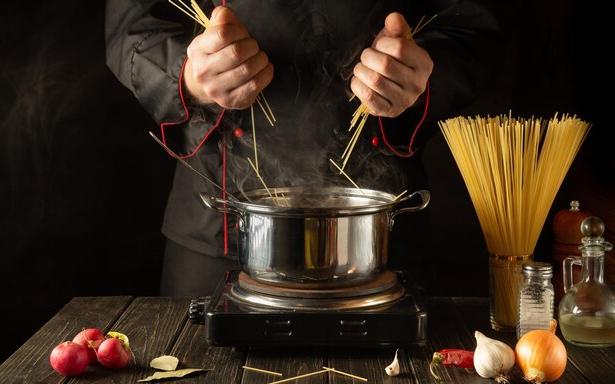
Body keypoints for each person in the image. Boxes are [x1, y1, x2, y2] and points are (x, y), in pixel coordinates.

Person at [105, 0, 504, 296]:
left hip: (382, 235)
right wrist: (190, 74)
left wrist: (419, 75)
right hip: (217, 230)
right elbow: (131, 28)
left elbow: (475, 29)